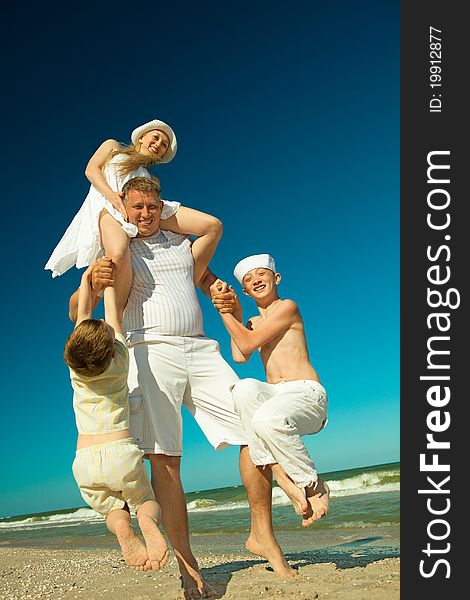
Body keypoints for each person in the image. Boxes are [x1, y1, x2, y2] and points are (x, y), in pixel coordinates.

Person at [69, 177, 298, 597]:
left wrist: (224, 297)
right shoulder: (118, 249)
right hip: (148, 350)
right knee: (166, 462)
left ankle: (261, 533)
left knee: (257, 429)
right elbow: (76, 312)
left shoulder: (182, 246)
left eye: (153, 206)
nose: (145, 214)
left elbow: (212, 224)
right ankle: (188, 571)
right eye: (136, 207)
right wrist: (92, 276)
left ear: (163, 205)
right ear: (123, 207)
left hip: (201, 348)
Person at [210, 253, 330, 527]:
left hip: (306, 395)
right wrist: (237, 315)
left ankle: (313, 484)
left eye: (261, 274)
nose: (256, 280)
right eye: (249, 279)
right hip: (277, 396)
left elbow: (248, 344)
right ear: (244, 290)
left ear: (276, 278)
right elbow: (240, 356)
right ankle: (281, 475)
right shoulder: (251, 323)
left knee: (265, 418)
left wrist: (224, 312)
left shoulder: (287, 307)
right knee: (242, 388)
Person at [45, 118, 214, 311]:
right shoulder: (112, 147)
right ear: (142, 137)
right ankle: (109, 319)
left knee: (212, 225)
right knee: (115, 257)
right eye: (156, 137)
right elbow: (91, 170)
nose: (158, 144)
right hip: (109, 209)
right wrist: (113, 197)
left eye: (164, 145)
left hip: (134, 216)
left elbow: (148, 211)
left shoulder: (151, 179)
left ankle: (187, 282)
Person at [64, 261, 169, 572]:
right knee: (144, 502)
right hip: (120, 453)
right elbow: (112, 312)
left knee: (113, 510)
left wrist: (86, 279)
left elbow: (83, 316)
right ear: (110, 350)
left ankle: (123, 530)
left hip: (84, 459)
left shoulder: (77, 370)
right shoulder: (119, 361)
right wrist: (104, 280)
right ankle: (148, 524)